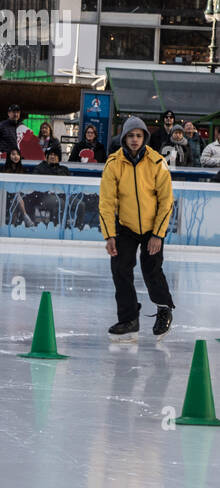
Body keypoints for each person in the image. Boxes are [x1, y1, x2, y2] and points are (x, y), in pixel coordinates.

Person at [99, 116, 175, 337]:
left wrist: (158, 235)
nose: (134, 140)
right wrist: (109, 236)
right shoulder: (113, 163)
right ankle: (129, 318)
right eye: (130, 135)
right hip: (126, 226)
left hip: (152, 227)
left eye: (138, 136)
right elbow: (106, 202)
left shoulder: (157, 162)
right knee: (120, 270)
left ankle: (164, 309)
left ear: (145, 138)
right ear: (124, 138)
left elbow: (166, 202)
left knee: (152, 270)